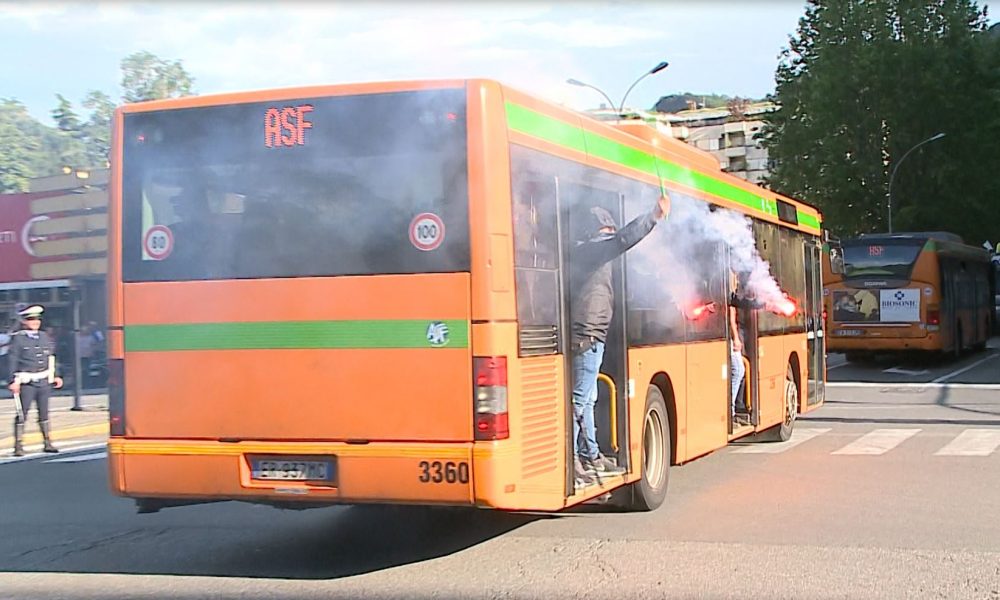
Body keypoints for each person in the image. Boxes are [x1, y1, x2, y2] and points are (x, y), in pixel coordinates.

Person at [570, 190, 670, 487]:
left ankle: (590, 454)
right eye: (606, 231)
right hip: (588, 332)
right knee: (580, 399)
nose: (609, 237)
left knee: (589, 398)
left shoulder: (588, 251)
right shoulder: (589, 250)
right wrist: (653, 216)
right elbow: (621, 240)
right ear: (596, 233)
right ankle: (573, 460)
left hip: (593, 332)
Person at [6, 305, 64, 456]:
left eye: (37, 319)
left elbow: (51, 357)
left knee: (44, 413)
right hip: (27, 381)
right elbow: (12, 360)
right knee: (22, 413)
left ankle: (47, 442)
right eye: (31, 319)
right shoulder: (18, 338)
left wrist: (56, 375)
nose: (35, 322)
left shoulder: (44, 337)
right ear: (24, 321)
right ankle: (18, 445)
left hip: (43, 380)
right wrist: (12, 380)